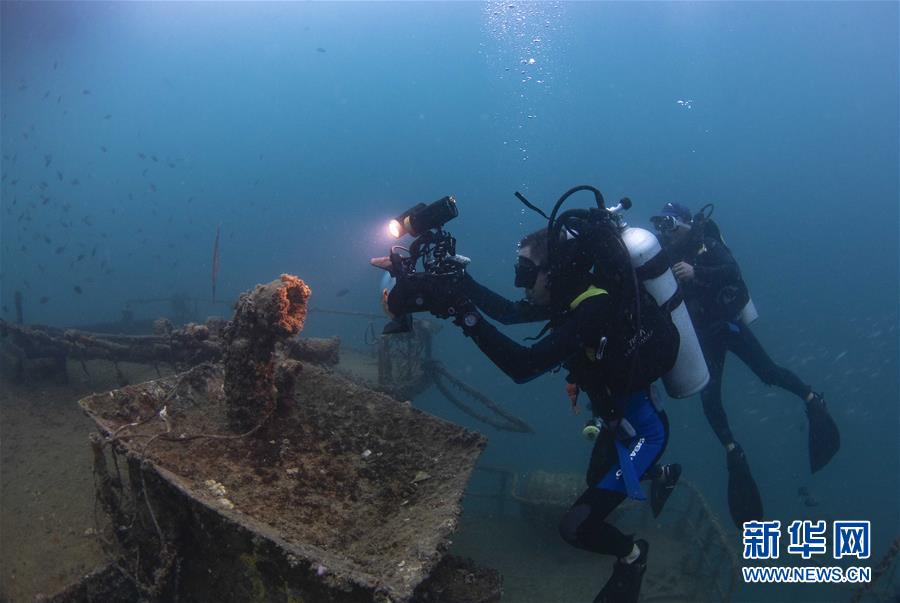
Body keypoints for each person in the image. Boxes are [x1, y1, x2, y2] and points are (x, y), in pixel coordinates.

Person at [427, 222, 681, 603]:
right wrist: (460, 282)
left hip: (644, 433)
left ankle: (632, 556)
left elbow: (523, 366)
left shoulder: (595, 306)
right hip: (617, 423)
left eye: (526, 271)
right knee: (597, 475)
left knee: (576, 527)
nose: (520, 281)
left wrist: (465, 315)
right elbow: (510, 313)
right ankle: (661, 475)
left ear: (555, 271)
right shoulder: (570, 298)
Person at [650, 202, 840, 527]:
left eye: (671, 225)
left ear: (684, 223)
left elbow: (731, 271)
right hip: (703, 336)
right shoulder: (665, 256)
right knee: (709, 399)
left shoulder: (705, 242)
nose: (666, 233)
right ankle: (733, 452)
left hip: (728, 325)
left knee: (768, 372)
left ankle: (812, 400)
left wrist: (698, 272)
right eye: (661, 227)